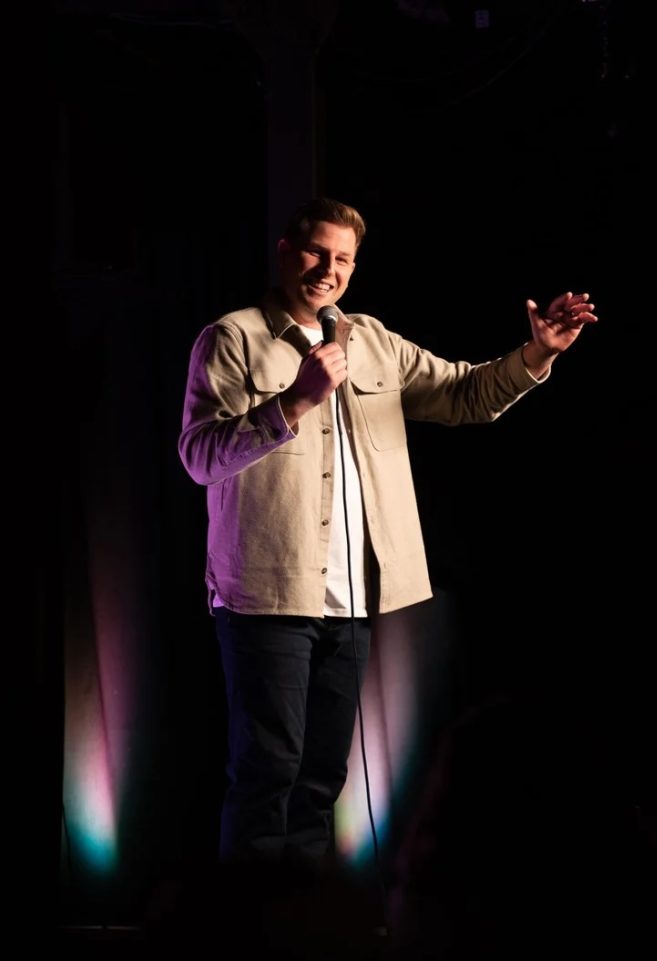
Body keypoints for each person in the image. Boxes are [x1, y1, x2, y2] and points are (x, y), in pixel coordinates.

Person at [178, 196, 598, 871]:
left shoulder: (370, 340)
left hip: (351, 602)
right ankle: (246, 927)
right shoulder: (232, 337)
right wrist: (296, 400)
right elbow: (200, 457)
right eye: (316, 252)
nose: (329, 269)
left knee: (321, 780)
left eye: (343, 259)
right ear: (285, 252)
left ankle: (302, 920)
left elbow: (464, 394)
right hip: (266, 597)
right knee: (267, 775)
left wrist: (536, 353)